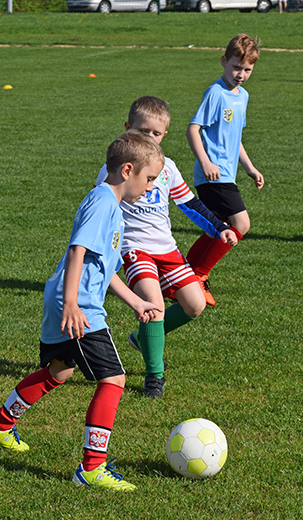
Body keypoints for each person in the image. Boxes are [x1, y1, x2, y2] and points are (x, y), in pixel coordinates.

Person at [0, 131, 163, 491]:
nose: (151, 187)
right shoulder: (103, 203)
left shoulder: (110, 205)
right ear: (127, 170)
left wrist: (136, 301)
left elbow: (103, 268)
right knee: (114, 379)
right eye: (149, 178)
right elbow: (77, 250)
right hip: (78, 304)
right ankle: (92, 468)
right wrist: (75, 303)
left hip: (66, 297)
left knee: (59, 371)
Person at [94, 97, 238, 398]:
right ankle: (154, 378)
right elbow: (101, 208)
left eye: (156, 134)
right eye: (143, 131)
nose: (149, 138)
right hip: (134, 249)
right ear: (127, 128)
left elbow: (189, 204)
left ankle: (142, 338)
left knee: (195, 305)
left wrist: (220, 228)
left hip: (167, 250)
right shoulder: (116, 168)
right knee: (154, 306)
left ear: (164, 136)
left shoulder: (167, 168)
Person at [185, 33, 265, 306]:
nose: (240, 74)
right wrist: (206, 162)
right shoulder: (216, 93)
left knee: (216, 229)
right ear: (223, 61)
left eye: (247, 70)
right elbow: (193, 129)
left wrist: (250, 168)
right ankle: (199, 274)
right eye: (236, 67)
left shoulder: (242, 97)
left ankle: (181, 277)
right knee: (241, 224)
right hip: (213, 174)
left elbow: (235, 138)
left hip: (228, 174)